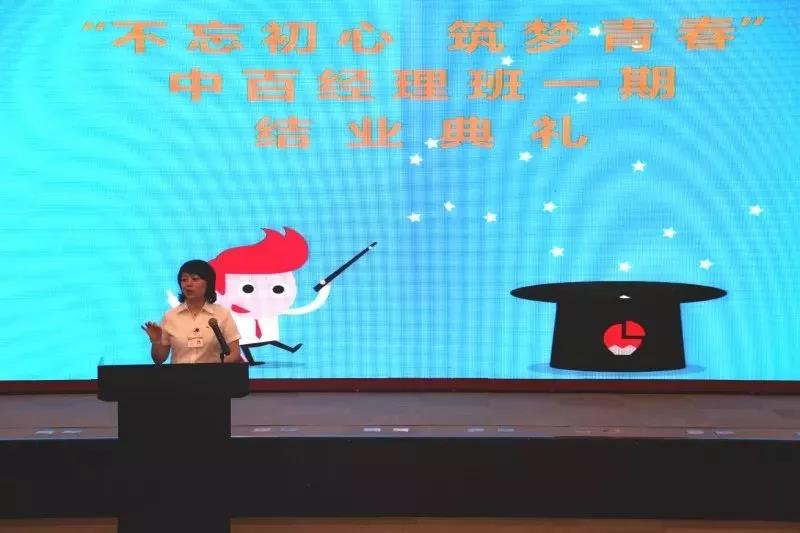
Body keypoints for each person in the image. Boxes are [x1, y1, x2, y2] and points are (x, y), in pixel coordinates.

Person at [142, 259, 242, 364]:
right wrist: (157, 341)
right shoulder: (170, 316)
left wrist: (219, 369)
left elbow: (235, 353)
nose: (188, 284)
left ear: (208, 283)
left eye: (195, 279)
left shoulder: (222, 313)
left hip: (212, 374)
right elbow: (159, 359)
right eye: (184, 280)